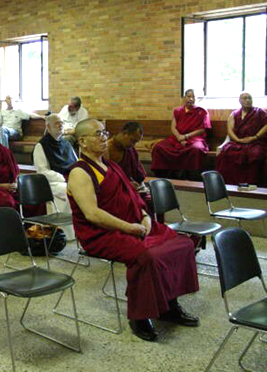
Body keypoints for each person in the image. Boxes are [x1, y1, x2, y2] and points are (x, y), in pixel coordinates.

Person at [68, 118, 199, 342]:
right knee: (147, 257)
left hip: (133, 224)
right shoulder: (79, 172)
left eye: (105, 133)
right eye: (98, 134)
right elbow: (92, 214)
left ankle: (169, 304)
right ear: (82, 141)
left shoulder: (111, 166)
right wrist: (130, 228)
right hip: (101, 234)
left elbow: (132, 197)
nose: (104, 138)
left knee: (182, 243)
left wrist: (146, 216)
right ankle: (139, 316)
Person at [151, 89, 211, 179]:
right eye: (189, 96)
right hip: (177, 138)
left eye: (193, 97)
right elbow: (173, 127)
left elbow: (202, 129)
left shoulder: (201, 111)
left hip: (194, 138)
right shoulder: (178, 111)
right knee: (159, 147)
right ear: (184, 98)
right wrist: (179, 136)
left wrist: (186, 136)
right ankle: (165, 175)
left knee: (196, 149)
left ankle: (190, 176)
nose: (191, 99)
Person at [32, 114, 77, 220]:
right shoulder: (41, 146)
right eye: (57, 123)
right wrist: (64, 178)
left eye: (62, 123)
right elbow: (42, 171)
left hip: (71, 179)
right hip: (53, 183)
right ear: (48, 127)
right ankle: (67, 231)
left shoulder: (66, 143)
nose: (60, 125)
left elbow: (76, 163)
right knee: (71, 192)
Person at [216, 92, 267, 185]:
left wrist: (255, 137)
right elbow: (230, 130)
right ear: (239, 101)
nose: (248, 100)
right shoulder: (234, 114)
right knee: (226, 152)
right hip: (238, 142)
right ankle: (229, 183)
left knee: (255, 154)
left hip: (255, 142)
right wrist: (238, 140)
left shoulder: (259, 112)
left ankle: (252, 183)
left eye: (249, 98)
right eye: (245, 98)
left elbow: (266, 125)